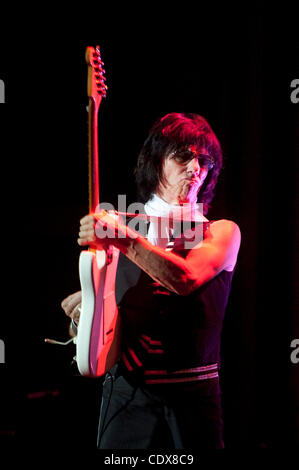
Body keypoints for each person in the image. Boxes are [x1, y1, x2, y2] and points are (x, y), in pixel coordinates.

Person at [62, 112, 241, 449]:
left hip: (193, 399)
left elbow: (185, 279)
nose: (195, 168)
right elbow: (99, 334)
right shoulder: (118, 228)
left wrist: (124, 238)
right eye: (183, 155)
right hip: (128, 394)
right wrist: (85, 315)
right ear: (156, 160)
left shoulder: (220, 231)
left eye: (204, 160)